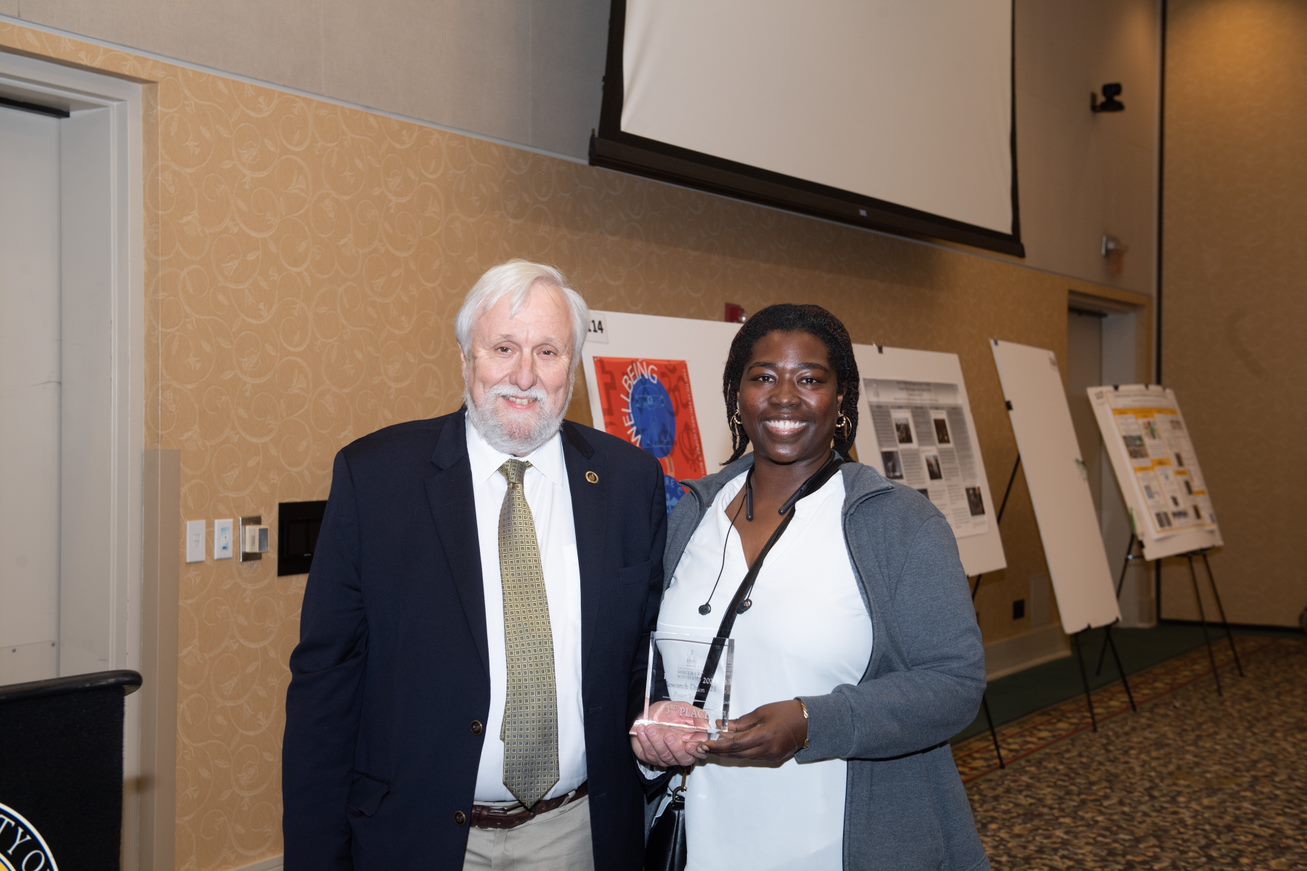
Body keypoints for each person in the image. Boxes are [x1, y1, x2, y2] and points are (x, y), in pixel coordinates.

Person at [283, 260, 667, 871]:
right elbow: (324, 689)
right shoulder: (377, 479)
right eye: (504, 348)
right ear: (467, 358)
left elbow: (646, 659)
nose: (524, 375)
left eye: (547, 351)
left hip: (577, 835)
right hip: (417, 835)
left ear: (572, 368)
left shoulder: (628, 482)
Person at [631, 304, 989, 870]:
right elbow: (643, 662)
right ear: (736, 391)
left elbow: (955, 684)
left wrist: (810, 721)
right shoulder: (689, 516)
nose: (785, 397)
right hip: (698, 834)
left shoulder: (899, 526)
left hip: (835, 842)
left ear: (841, 396)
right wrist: (651, 730)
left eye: (810, 379)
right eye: (764, 377)